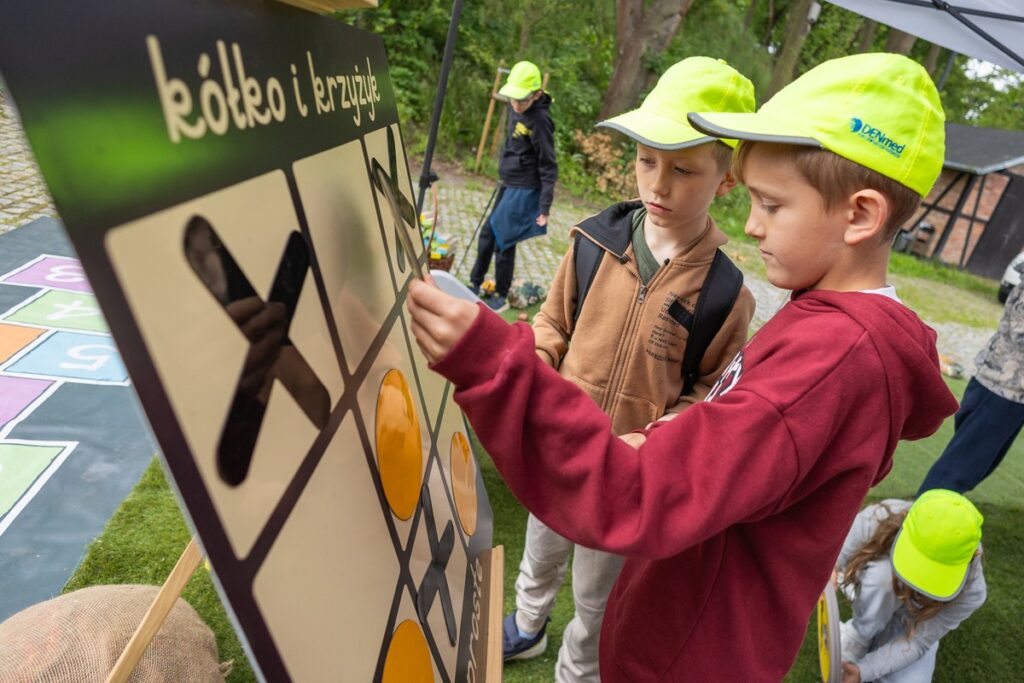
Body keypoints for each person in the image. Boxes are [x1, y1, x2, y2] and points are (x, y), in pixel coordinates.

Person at [406, 53, 959, 681]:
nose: (750, 226)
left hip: (679, 657)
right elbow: (748, 443)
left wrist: (490, 362)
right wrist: (672, 435)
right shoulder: (828, 330)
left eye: (771, 205)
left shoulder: (832, 359)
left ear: (860, 215)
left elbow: (642, 495)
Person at [503, 57, 757, 682]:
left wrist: (659, 437)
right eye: (647, 161)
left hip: (628, 478)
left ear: (726, 180)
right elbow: (551, 325)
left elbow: (710, 392)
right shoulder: (592, 241)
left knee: (597, 594)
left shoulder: (727, 293)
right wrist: (539, 373)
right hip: (560, 448)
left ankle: (578, 670)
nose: (658, 185)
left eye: (684, 169)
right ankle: (528, 625)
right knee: (541, 550)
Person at [835, 491, 986, 683]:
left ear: (971, 558)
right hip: (877, 592)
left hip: (913, 623)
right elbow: (833, 558)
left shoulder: (973, 592)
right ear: (904, 520)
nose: (918, 581)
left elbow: (918, 641)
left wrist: (863, 671)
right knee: (882, 577)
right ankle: (859, 636)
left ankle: (871, 640)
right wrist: (830, 571)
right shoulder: (878, 517)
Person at [918, 265, 1024, 494]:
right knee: (955, 474)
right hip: (1002, 387)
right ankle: (915, 524)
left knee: (974, 468)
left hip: (1010, 389)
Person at [468, 60, 557, 312]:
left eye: (522, 101)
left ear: (537, 94)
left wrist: (544, 206)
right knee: (487, 233)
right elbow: (512, 145)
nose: (516, 105)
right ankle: (474, 283)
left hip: (526, 187)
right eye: (513, 99)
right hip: (508, 182)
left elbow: (549, 166)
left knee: (503, 240)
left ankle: (501, 293)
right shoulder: (513, 108)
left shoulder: (540, 121)